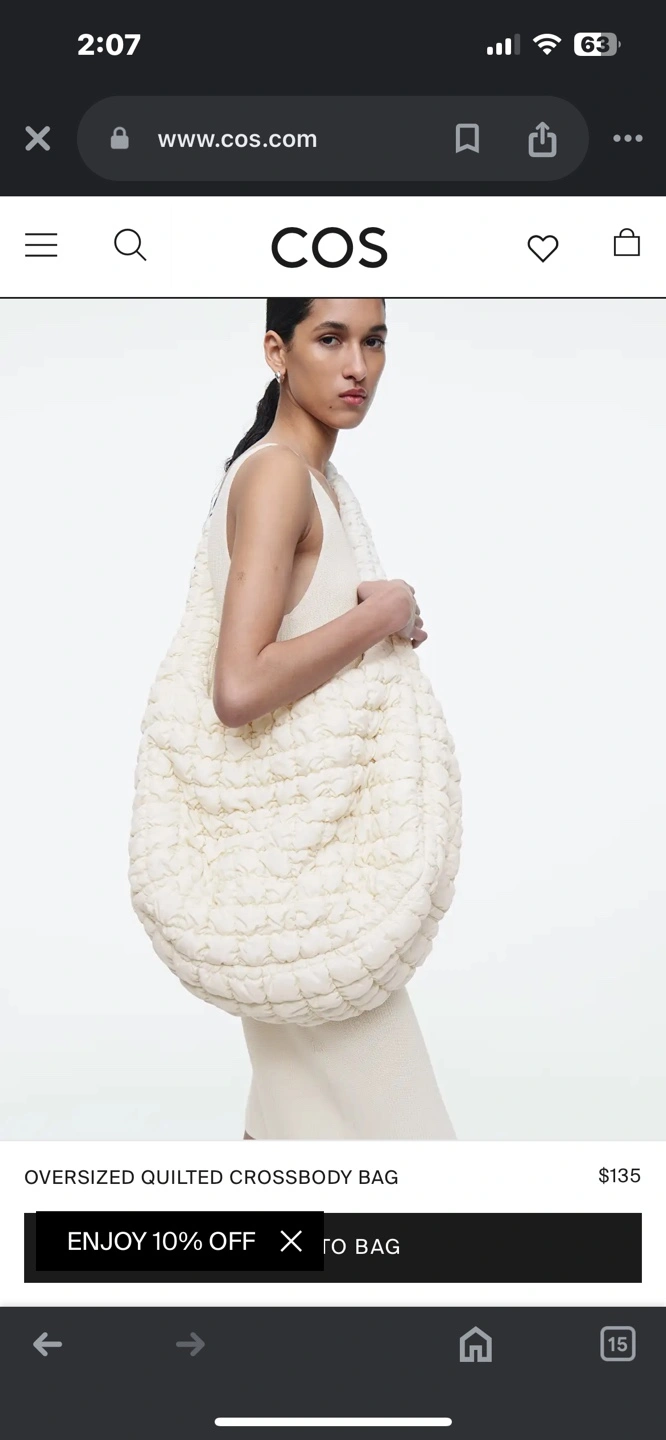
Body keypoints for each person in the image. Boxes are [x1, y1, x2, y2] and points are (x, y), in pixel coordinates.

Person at [207, 297, 455, 1139]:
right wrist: (383, 613)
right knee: (414, 1159)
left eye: (374, 341)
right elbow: (239, 685)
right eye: (330, 339)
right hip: (302, 891)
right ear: (276, 351)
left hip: (297, 878)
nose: (358, 366)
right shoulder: (278, 475)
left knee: (288, 1134)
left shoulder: (311, 481)